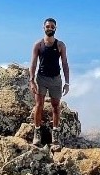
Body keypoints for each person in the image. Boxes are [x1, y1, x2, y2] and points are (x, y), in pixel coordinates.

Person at [29, 18, 70, 146]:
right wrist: (31, 80)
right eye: (48, 26)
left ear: (55, 28)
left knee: (56, 107)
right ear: (44, 28)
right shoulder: (38, 45)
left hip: (56, 79)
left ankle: (55, 133)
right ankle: (37, 132)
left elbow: (64, 63)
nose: (50, 28)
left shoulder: (60, 45)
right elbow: (33, 63)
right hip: (41, 78)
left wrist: (67, 82)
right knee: (38, 105)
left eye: (52, 26)